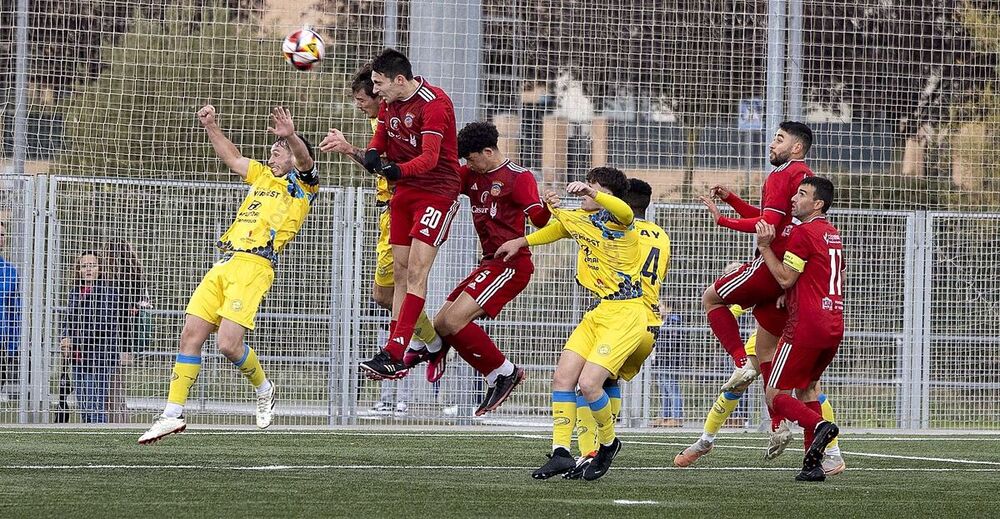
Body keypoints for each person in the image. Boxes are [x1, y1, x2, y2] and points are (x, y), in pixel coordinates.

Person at [138, 105, 319, 444]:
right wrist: (212, 126)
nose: (273, 155)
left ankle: (264, 389)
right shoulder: (262, 176)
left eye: (279, 151)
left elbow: (307, 162)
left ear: (294, 156)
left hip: (256, 266)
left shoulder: (303, 186)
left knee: (227, 345)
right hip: (226, 261)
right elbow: (234, 158)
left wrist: (291, 136)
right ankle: (171, 414)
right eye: (273, 149)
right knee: (190, 334)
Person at [698, 121, 839, 458]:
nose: (771, 144)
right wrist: (732, 200)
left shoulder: (783, 175)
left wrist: (722, 220)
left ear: (797, 148)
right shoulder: (806, 186)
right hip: (813, 302)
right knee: (787, 372)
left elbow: (769, 227)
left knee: (711, 299)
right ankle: (822, 454)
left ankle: (738, 365)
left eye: (779, 139)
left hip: (774, 268)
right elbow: (768, 217)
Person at [496, 167, 644, 481]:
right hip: (600, 311)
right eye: (587, 184)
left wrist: (593, 193)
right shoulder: (581, 218)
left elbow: (625, 210)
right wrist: (522, 241)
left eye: (592, 185)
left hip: (627, 313)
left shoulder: (620, 219)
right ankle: (562, 452)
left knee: (590, 384)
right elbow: (558, 229)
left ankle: (608, 444)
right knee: (562, 378)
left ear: (605, 194)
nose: (585, 189)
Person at [320, 49, 461, 380]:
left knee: (415, 271)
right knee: (399, 273)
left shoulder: (434, 103)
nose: (375, 91)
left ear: (400, 80)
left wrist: (393, 169)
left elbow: (428, 159)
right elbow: (380, 136)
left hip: (436, 193)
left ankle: (396, 350)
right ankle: (400, 349)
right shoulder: (388, 103)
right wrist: (370, 152)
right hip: (404, 194)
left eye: (379, 83)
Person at [405, 121, 549, 415]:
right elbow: (441, 182)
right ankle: (440, 352)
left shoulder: (518, 178)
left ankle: (503, 371)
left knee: (454, 321)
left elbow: (541, 221)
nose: (468, 165)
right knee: (442, 322)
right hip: (488, 263)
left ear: (488, 151)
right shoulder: (470, 175)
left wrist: (548, 207)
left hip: (511, 265)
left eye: (471, 158)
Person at [562, 177, 671, 479]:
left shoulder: (618, 230)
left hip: (625, 315)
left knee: (589, 380)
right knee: (609, 380)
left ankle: (592, 451)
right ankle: (596, 451)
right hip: (650, 323)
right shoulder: (661, 235)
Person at [755, 176, 844, 481]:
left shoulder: (803, 233)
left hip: (805, 325)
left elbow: (785, 278)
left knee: (775, 394)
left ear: (818, 204)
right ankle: (813, 465)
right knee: (807, 389)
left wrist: (765, 247)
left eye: (802, 194)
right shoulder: (832, 234)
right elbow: (818, 274)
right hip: (833, 325)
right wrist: (790, 292)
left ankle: (821, 427)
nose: (794, 199)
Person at [60, 251, 123, 423]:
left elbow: (102, 326)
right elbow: (67, 320)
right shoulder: (74, 293)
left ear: (100, 269)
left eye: (92, 265)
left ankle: (100, 441)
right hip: (78, 358)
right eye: (84, 266)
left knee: (96, 405)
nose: (88, 270)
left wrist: (75, 341)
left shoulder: (108, 293)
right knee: (83, 405)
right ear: (78, 270)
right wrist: (64, 338)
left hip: (99, 357)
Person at [102, 238, 153, 423]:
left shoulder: (111, 281)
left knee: (110, 388)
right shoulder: (136, 277)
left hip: (112, 339)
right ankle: (119, 418)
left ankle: (116, 421)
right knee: (116, 386)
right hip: (125, 340)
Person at [0, 221, 21, 402]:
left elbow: (14, 312)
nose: (0, 238)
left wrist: (13, 346)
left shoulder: (10, 272)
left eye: (2, 234)